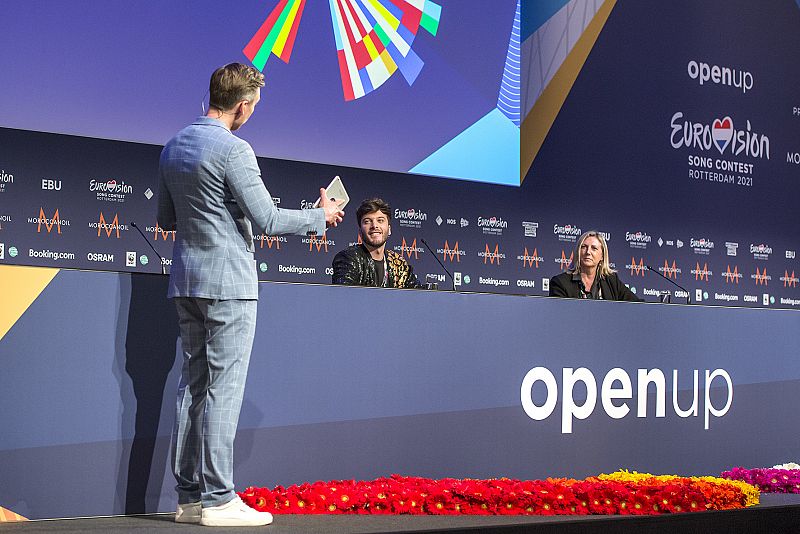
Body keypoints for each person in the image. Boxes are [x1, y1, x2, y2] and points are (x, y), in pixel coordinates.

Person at [156, 62, 344, 527]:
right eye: (253, 107)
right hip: (229, 288)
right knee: (223, 391)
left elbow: (165, 219)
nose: (252, 114)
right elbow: (271, 221)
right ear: (242, 105)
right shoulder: (235, 150)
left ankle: (189, 500)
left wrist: (214, 212)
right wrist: (320, 216)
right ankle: (219, 499)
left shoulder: (174, 146)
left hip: (187, 282)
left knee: (192, 389)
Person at [331, 198, 422, 288]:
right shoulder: (348, 258)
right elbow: (344, 296)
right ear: (360, 232)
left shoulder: (399, 263)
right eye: (367, 221)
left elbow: (418, 294)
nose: (374, 226)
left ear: (389, 229)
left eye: (380, 220)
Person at [549, 230, 641, 301]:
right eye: (584, 247)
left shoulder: (611, 281)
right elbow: (559, 316)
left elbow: (636, 305)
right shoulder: (560, 282)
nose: (588, 252)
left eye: (594, 248)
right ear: (578, 252)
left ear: (602, 256)